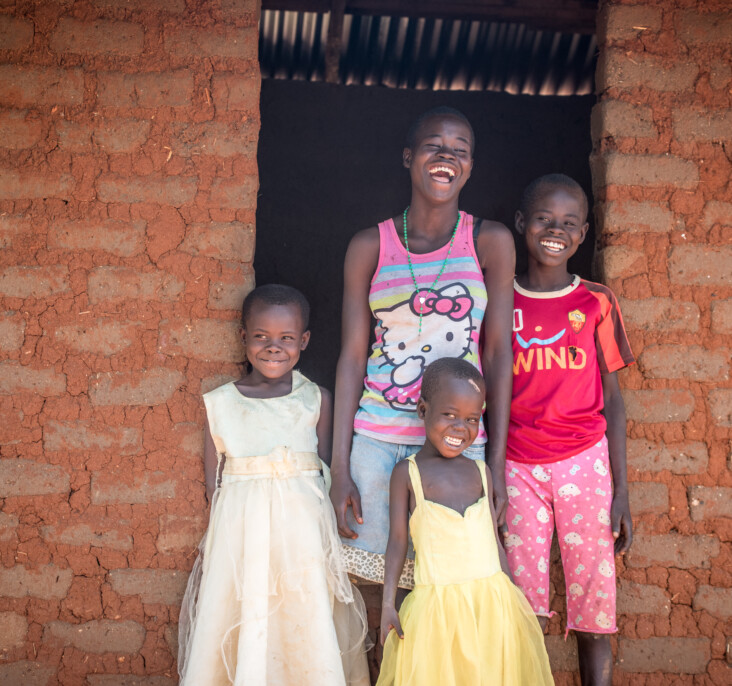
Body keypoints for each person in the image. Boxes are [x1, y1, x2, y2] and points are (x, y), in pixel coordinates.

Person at [331, 106, 515, 590]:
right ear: (409, 157)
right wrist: (340, 465)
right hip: (376, 441)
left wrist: (494, 465)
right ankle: (381, 670)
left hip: (456, 445)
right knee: (372, 584)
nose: (446, 157)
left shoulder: (489, 241)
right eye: (435, 145)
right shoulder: (369, 245)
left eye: (460, 151)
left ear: (470, 167)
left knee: (448, 584)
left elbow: (497, 356)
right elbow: (352, 358)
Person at [177, 284, 369, 686]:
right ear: (244, 337)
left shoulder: (317, 399)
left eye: (285, 338)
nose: (273, 347)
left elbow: (327, 472)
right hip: (243, 541)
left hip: (300, 538)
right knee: (247, 616)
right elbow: (217, 486)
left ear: (304, 341)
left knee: (304, 614)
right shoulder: (222, 403)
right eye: (261, 336)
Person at [505, 174, 634, 685]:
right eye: (543, 219)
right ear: (521, 224)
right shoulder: (501, 302)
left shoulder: (595, 302)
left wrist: (621, 491)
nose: (554, 231)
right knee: (523, 604)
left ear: (583, 235)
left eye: (568, 224)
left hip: (585, 462)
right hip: (517, 466)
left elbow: (615, 403)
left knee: (594, 608)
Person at [377, 357, 554, 686]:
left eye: (473, 419)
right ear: (422, 410)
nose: (461, 428)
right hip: (437, 613)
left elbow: (494, 543)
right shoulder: (408, 474)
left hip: (492, 605)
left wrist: (514, 597)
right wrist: (388, 604)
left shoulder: (480, 473)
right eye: (450, 415)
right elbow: (398, 542)